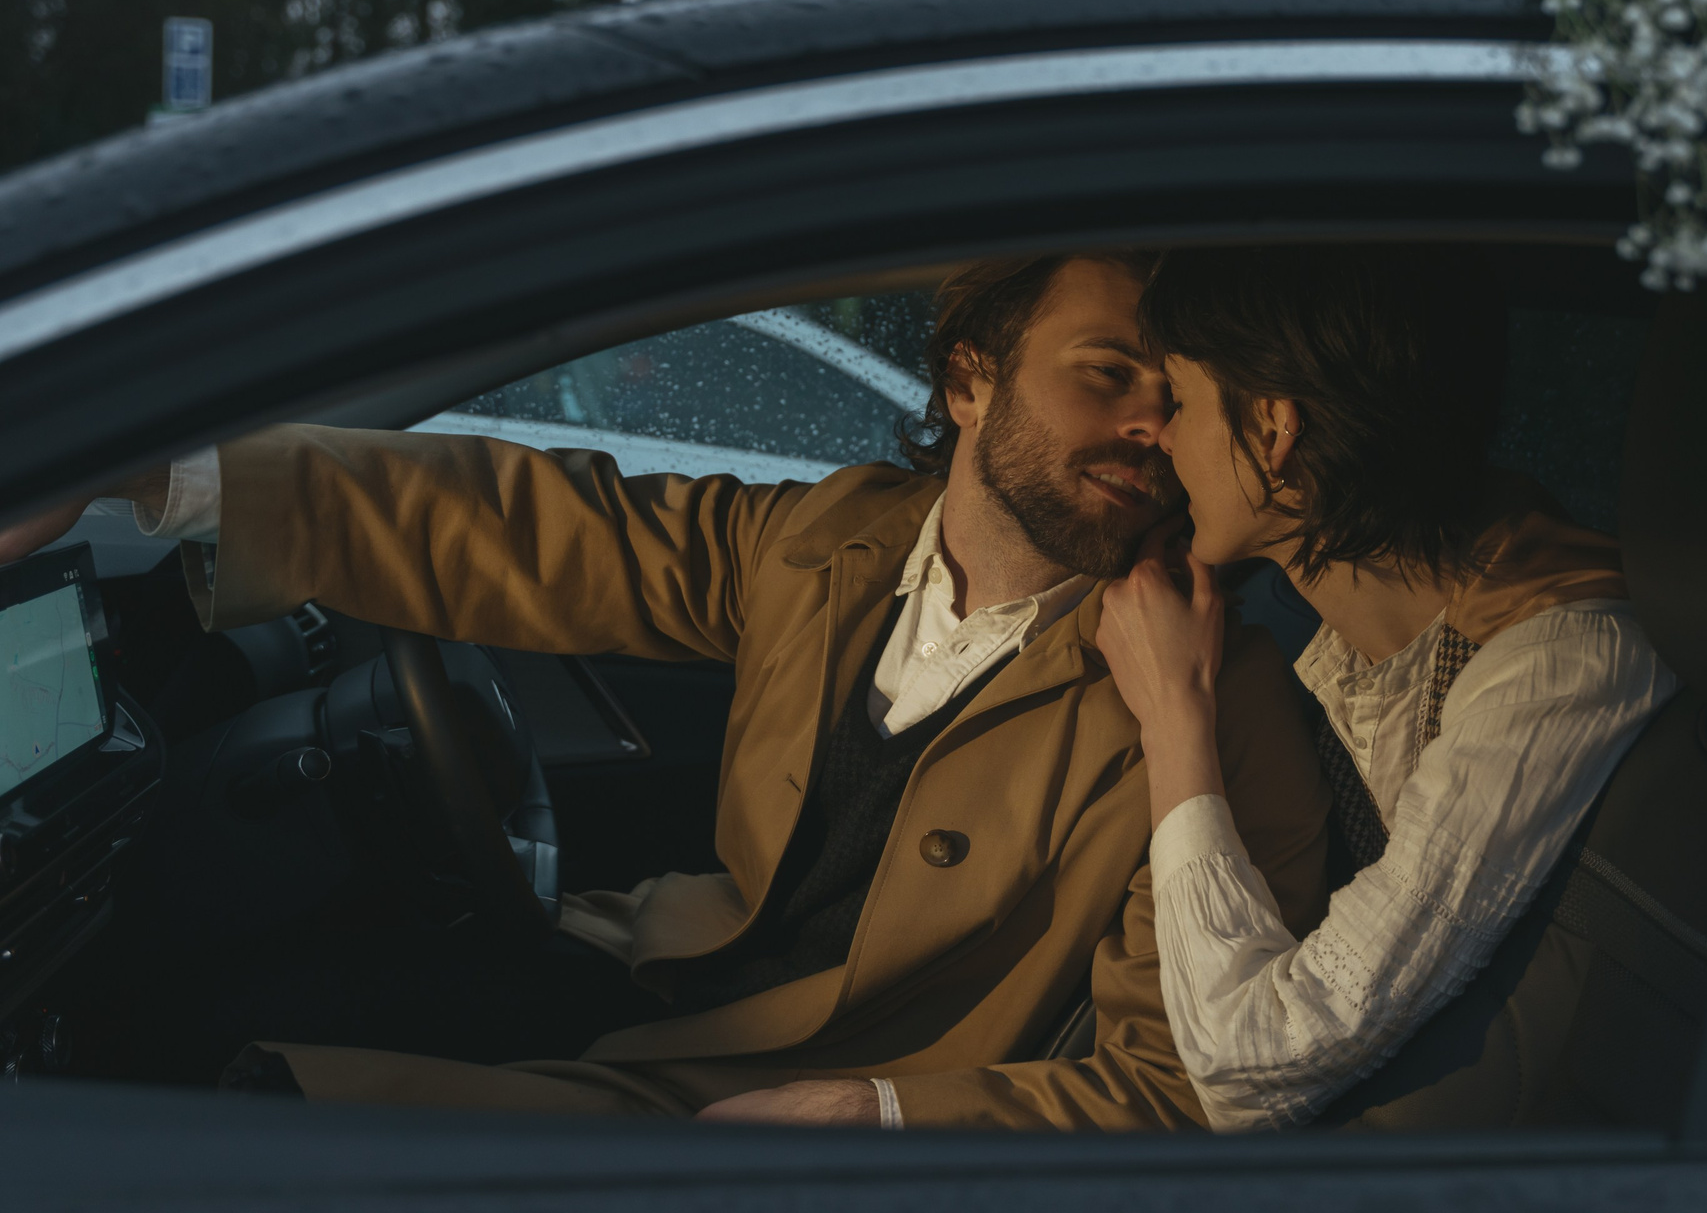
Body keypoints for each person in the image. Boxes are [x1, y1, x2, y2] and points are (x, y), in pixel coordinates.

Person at [0, 253, 1330, 1130]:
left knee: (201, 1103)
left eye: (1175, 395)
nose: (1150, 427)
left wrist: (871, 1114)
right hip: (653, 971)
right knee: (193, 1011)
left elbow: (1184, 1081)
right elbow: (529, 526)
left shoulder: (1209, 686)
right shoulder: (840, 533)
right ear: (967, 377)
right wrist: (145, 467)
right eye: (1106, 374)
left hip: (795, 1104)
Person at [1095, 245, 1677, 1134]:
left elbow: (1251, 1069)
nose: (1159, 436)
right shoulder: (1356, 648)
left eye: (1179, 401)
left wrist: (1176, 713)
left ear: (1273, 431)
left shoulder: (1562, 664)